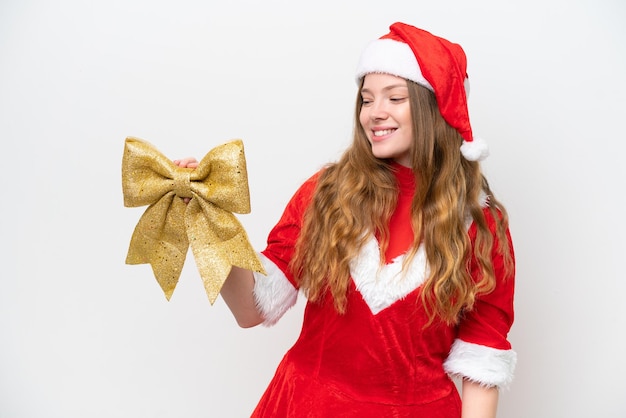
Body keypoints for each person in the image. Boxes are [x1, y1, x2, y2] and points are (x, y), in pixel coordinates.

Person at [176, 22, 515, 418]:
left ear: (434, 107)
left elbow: (482, 362)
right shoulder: (327, 193)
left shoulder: (479, 223)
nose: (375, 113)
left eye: (395, 97)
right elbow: (252, 310)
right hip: (305, 406)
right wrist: (211, 224)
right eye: (367, 99)